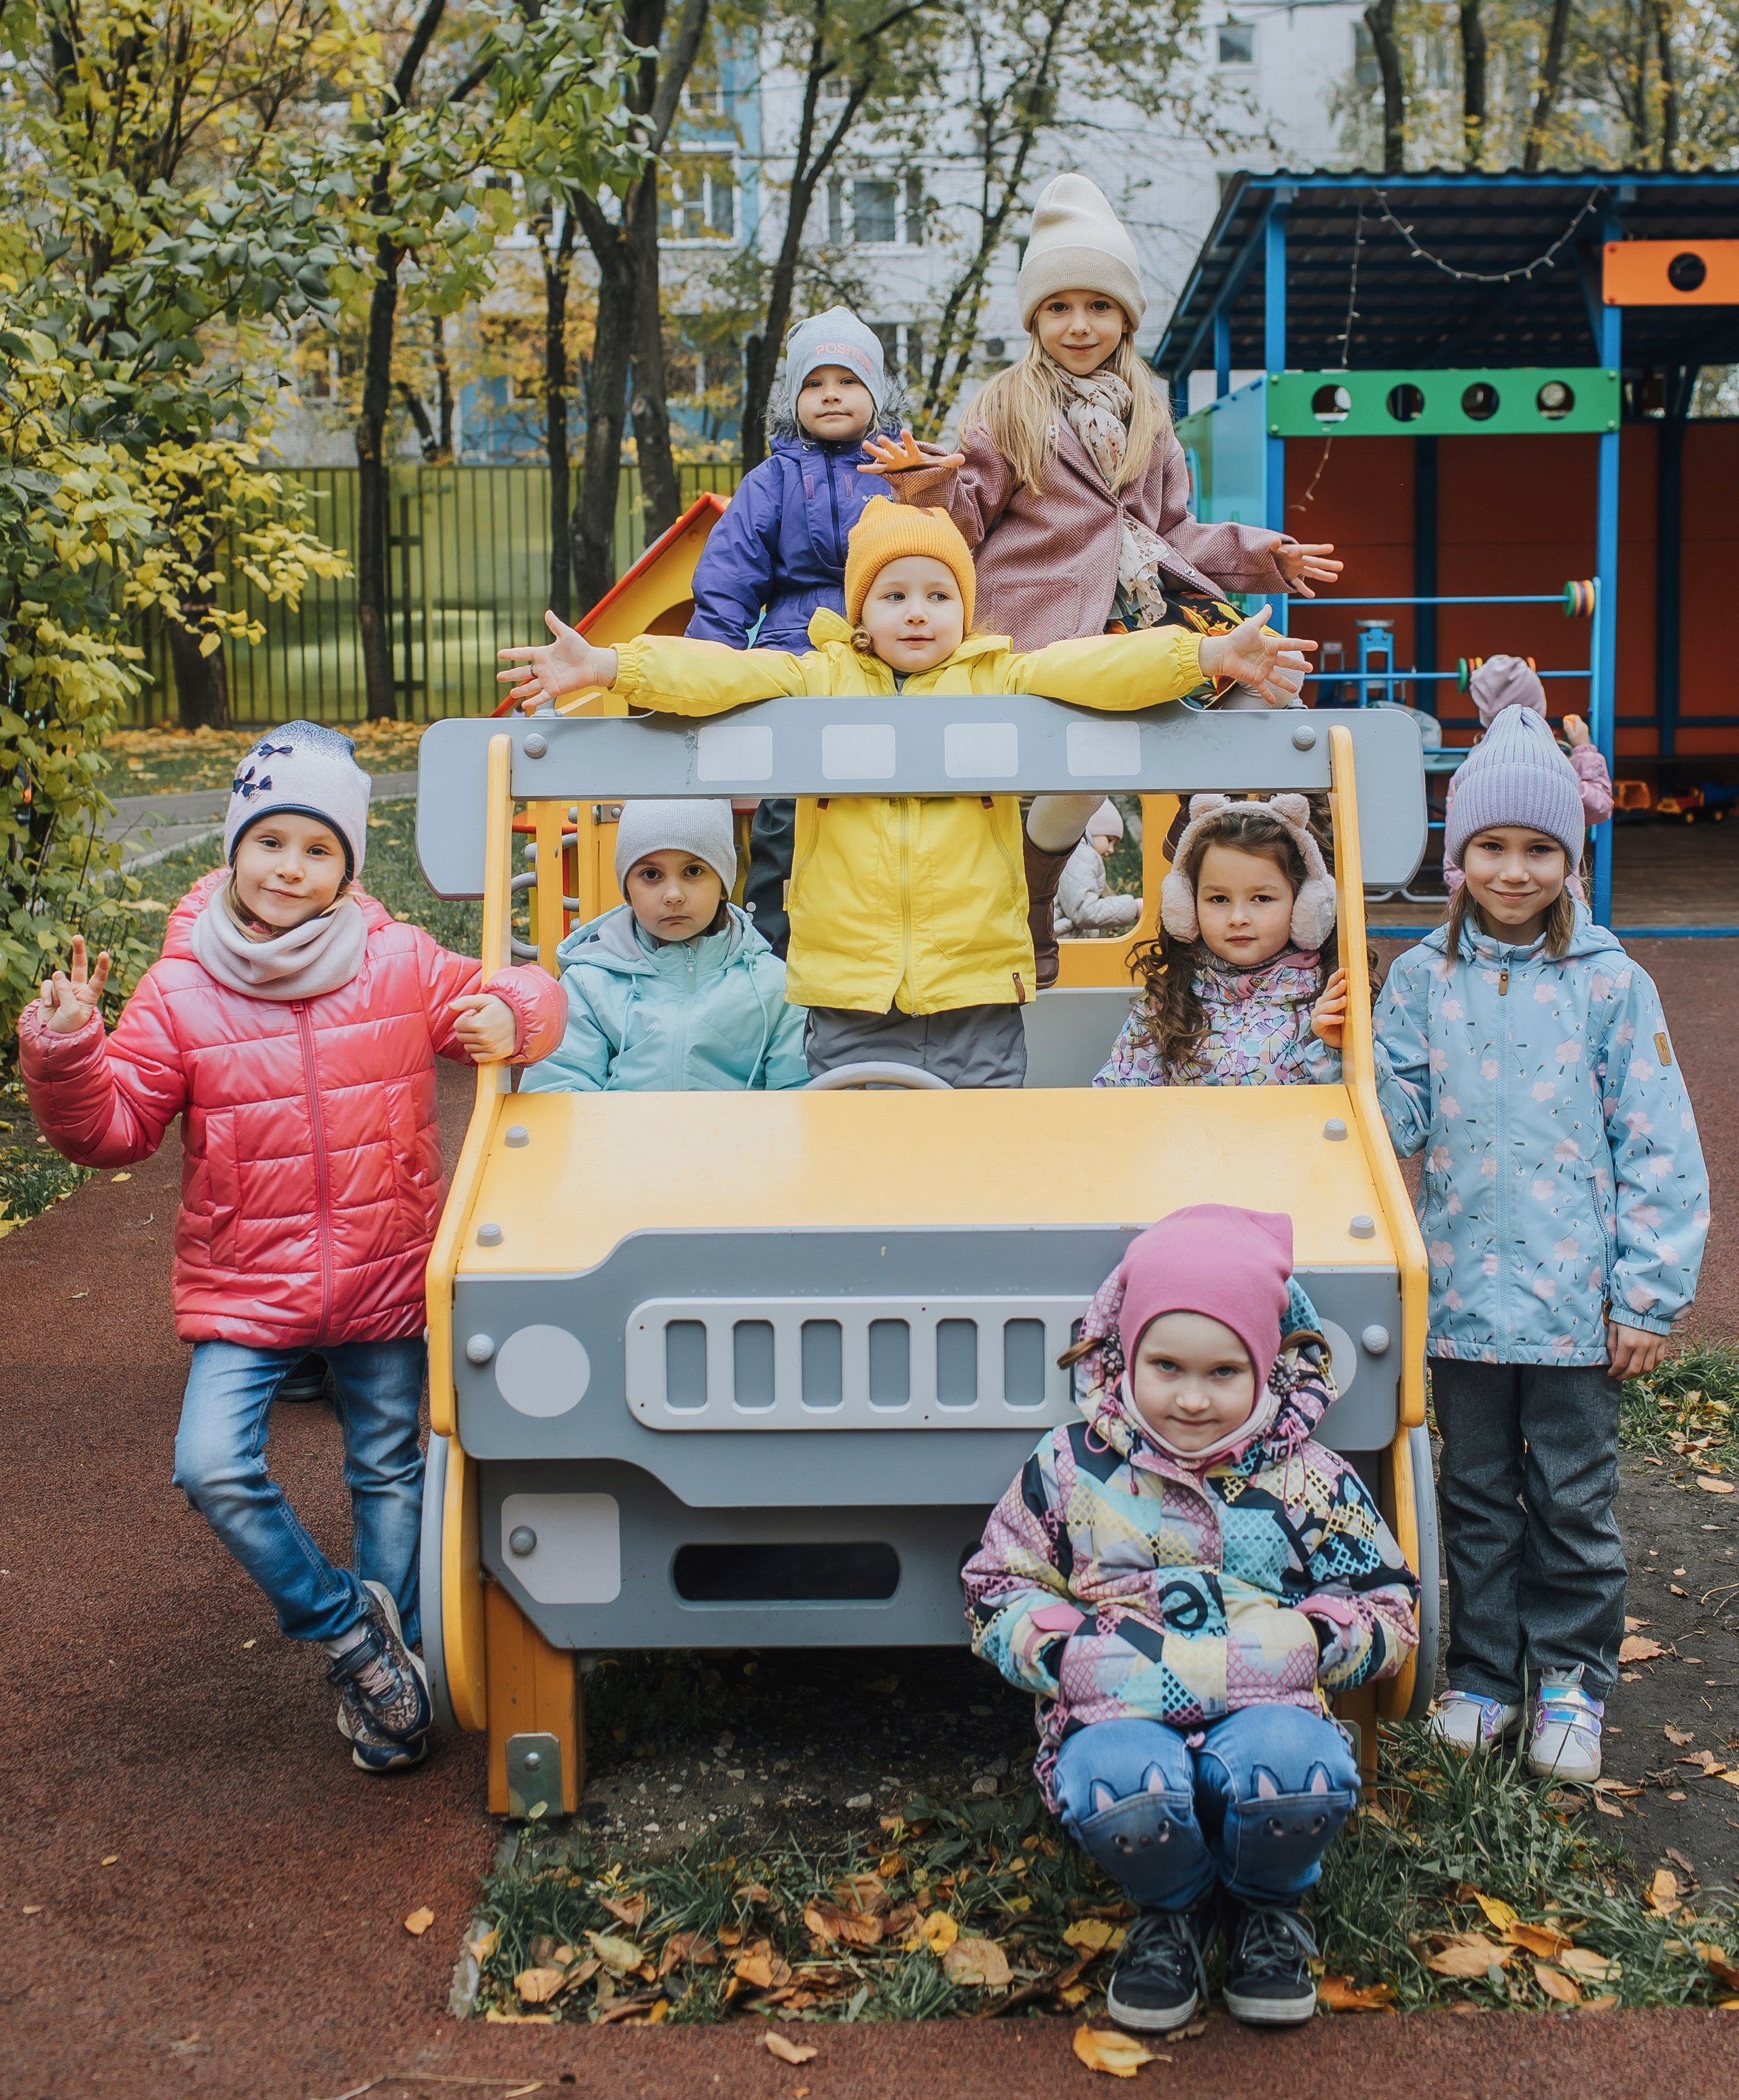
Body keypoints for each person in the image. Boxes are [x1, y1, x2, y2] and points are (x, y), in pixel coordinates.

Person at [17, 723, 564, 1775]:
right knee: (212, 1465)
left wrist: (513, 1014)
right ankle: (350, 1632)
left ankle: (391, 1693)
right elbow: (114, 1128)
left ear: (349, 864)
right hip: (247, 1284)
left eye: (319, 850)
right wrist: (67, 1049)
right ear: (235, 848)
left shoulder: (397, 960)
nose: (291, 868)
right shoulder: (182, 990)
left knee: (387, 1468)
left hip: (384, 1270)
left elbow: (528, 993)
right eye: (272, 841)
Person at [499, 499, 1314, 1088]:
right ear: (860, 611)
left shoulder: (999, 677)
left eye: (938, 595)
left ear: (967, 607)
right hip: (853, 993)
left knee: (976, 1161)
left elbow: (1091, 665)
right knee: (859, 1168)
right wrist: (610, 666)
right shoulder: (817, 679)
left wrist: (1203, 658)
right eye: (894, 596)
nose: (917, 614)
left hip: (975, 990)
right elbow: (721, 671)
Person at [1312, 705, 1708, 1781]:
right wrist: (1340, 1047)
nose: (1515, 869)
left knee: (1573, 1499)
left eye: (1540, 849)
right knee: (1475, 1493)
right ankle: (1486, 1673)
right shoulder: (1423, 984)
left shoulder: (1611, 987)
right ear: (1458, 853)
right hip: (1467, 1309)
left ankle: (1572, 1680)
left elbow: (1660, 1143)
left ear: (1571, 858)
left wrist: (1647, 1297)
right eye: (1492, 845)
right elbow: (1396, 1119)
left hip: (1577, 1307)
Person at [862, 173, 1341, 982]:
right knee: (1080, 773)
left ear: (1124, 316)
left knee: (1263, 691)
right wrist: (926, 489)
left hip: (1148, 610)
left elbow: (1172, 529)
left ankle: (1212, 857)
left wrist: (1264, 554)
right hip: (1052, 622)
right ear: (1034, 319)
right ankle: (1036, 904)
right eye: (1058, 307)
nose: (1078, 325)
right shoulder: (1008, 407)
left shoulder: (1148, 415)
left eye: (1097, 306)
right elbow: (967, 517)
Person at [963, 1205, 1418, 2033]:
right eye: (1166, 1366)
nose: (1192, 1399)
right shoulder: (1070, 1464)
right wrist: (1063, 1652)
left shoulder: (1308, 1477)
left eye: (1223, 1372)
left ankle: (1264, 1905)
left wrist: (1313, 1639)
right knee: (1120, 1789)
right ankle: (1171, 1907)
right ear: (1125, 1358)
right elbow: (1000, 1582)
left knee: (1297, 1772)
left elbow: (1388, 1602)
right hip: (1120, 1703)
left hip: (1264, 1703)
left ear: (1266, 1369)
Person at [686, 308, 901, 961]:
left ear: (878, 396)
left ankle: (879, 943)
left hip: (885, 655)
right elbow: (728, 580)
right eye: (815, 383)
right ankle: (769, 955)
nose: (831, 393)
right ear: (793, 400)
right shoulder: (771, 482)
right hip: (794, 652)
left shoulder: (902, 472)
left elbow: (946, 560)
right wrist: (701, 671)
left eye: (848, 380)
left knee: (883, 808)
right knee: (785, 814)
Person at [518, 798, 808, 1094]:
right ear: (627, 892)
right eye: (651, 875)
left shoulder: (771, 986)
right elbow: (557, 1085)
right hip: (619, 1139)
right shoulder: (590, 985)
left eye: (693, 872)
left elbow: (798, 1095)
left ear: (723, 884)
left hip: (737, 1139)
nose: (673, 895)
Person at [1095, 796, 1335, 1087]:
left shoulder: (1327, 997)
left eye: (1262, 898)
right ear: (1187, 906)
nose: (1238, 918)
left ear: (1304, 905)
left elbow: (1369, 1107)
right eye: (1218, 899)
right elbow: (1119, 1091)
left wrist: (1335, 1050)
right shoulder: (1170, 996)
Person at [1440, 656, 1613, 899]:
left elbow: (1454, 850)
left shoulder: (1468, 773)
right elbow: (1599, 806)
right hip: (1557, 903)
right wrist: (1584, 748)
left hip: (1486, 903)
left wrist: (1463, 902)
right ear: (1539, 705)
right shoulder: (1554, 767)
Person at [1054, 800, 1140, 939]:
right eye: (1110, 840)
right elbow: (1084, 911)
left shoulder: (1072, 852)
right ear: (1092, 829)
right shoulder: (1080, 852)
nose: (1111, 849)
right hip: (1065, 943)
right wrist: (1135, 907)